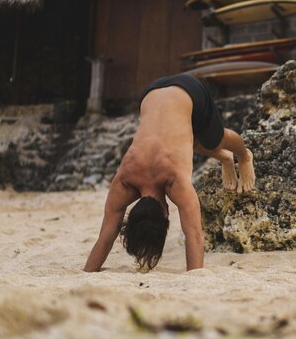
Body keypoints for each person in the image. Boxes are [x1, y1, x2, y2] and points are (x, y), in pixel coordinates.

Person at [83, 73, 255, 272]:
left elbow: (195, 235)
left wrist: (194, 277)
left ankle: (242, 155)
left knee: (214, 140)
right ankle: (225, 158)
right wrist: (87, 274)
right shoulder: (124, 181)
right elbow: (105, 239)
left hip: (190, 90)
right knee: (189, 138)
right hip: (151, 92)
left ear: (166, 214)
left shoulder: (175, 181)